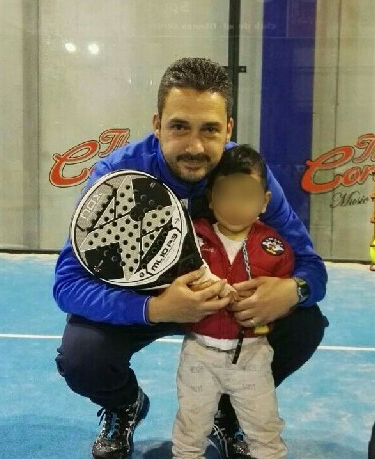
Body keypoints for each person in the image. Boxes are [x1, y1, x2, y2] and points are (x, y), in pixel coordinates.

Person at [54, 57, 328, 459]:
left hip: (225, 307)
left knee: (304, 323)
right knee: (83, 356)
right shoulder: (116, 174)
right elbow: (67, 284)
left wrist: (293, 289)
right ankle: (124, 404)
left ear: (228, 129)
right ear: (157, 124)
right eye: (179, 127)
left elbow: (311, 268)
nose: (195, 146)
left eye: (210, 129)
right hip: (148, 301)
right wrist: (155, 308)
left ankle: (226, 411)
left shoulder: (247, 176)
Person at [173, 145, 293, 459]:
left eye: (247, 195)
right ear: (211, 198)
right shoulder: (192, 240)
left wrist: (266, 307)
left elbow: (282, 302)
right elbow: (175, 283)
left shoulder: (275, 248)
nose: (236, 205)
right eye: (226, 195)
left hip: (252, 355)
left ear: (265, 201)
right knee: (190, 426)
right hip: (199, 352)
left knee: (264, 428)